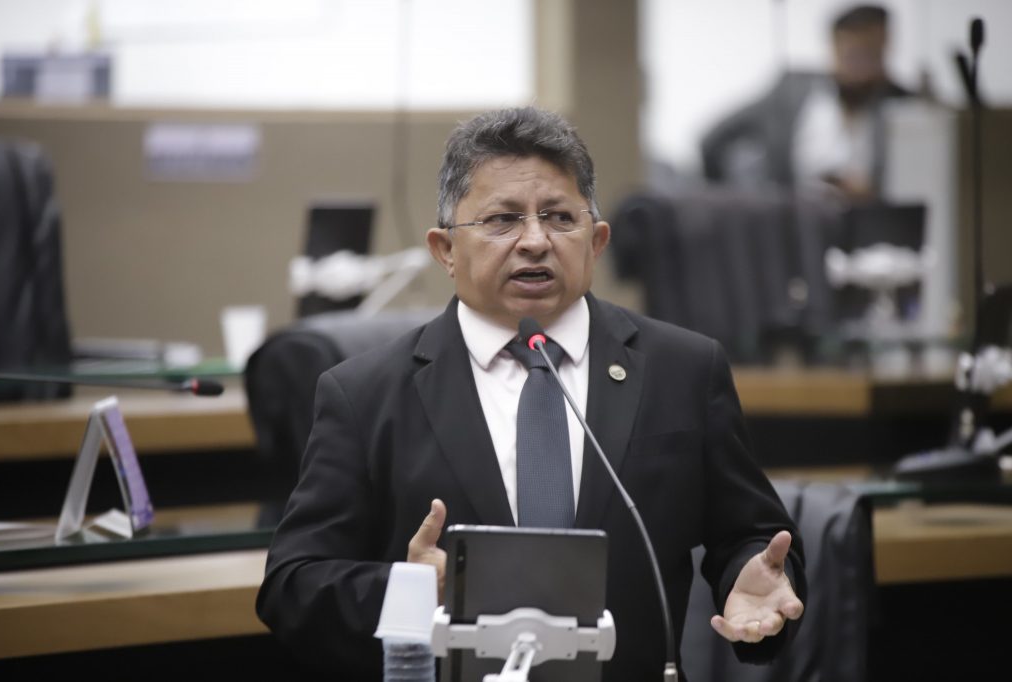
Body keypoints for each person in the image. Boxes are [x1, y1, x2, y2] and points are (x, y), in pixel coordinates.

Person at [256, 106, 807, 680]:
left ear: (596, 242)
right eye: (502, 220)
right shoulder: (363, 394)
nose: (536, 241)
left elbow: (752, 534)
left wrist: (756, 576)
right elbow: (292, 585)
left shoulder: (683, 370)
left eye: (560, 217)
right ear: (445, 250)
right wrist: (408, 592)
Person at [701, 4, 912, 201]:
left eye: (870, 55)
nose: (861, 69)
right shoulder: (791, 92)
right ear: (835, 47)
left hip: (872, 229)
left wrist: (872, 193)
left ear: (886, 47)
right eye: (853, 55)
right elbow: (713, 140)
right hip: (795, 227)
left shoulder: (907, 107)